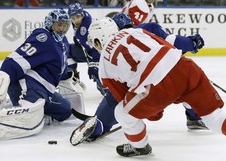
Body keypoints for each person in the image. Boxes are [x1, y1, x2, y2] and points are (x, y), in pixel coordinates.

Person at [86, 17, 226, 157]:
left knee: (121, 113)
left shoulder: (103, 66)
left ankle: (139, 146)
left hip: (155, 87)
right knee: (215, 118)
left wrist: (154, 112)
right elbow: (166, 45)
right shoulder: (135, 31)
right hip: (185, 67)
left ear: (98, 41)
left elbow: (124, 97)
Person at [70, 13, 205, 146]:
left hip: (137, 86)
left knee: (116, 107)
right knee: (185, 84)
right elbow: (172, 43)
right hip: (163, 78)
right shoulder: (144, 29)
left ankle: (102, 125)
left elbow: (116, 94)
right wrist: (192, 43)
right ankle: (194, 117)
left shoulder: (106, 57)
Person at [0, 8, 76, 143]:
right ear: (50, 23)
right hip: (29, 86)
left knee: (65, 110)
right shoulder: (44, 37)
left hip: (46, 91)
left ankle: (35, 112)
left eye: (65, 25)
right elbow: (16, 59)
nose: (62, 29)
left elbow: (58, 69)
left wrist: (68, 77)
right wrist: (2, 77)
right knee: (26, 120)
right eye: (59, 24)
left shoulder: (63, 43)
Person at [122, 0, 206, 129]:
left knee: (178, 79)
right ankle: (193, 116)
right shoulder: (140, 4)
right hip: (132, 50)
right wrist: (180, 45)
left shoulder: (146, 5)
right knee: (180, 79)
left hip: (131, 49)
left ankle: (192, 115)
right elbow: (139, 31)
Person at [67, 2, 106, 95]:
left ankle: (105, 85)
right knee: (67, 50)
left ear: (82, 15)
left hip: (101, 53)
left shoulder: (88, 26)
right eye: (73, 18)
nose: (76, 20)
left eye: (77, 17)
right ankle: (73, 77)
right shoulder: (82, 21)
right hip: (91, 51)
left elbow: (97, 47)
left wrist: (94, 64)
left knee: (97, 72)